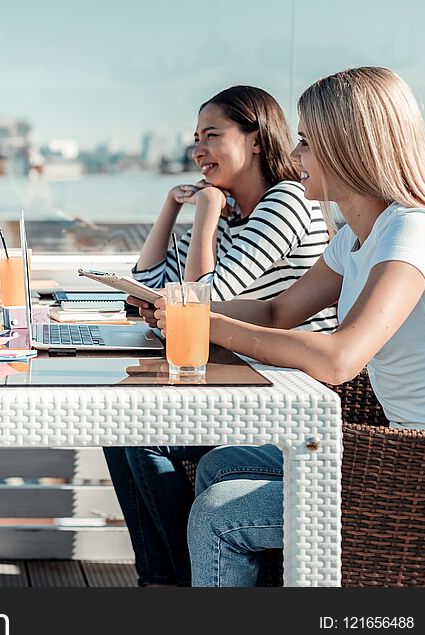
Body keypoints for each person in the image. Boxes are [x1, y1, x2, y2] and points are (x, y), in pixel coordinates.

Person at [151, 66, 425, 586]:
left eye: (307, 141)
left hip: (422, 464)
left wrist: (207, 325)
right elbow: (278, 312)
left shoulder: (412, 230)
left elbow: (340, 358)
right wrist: (183, 308)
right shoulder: (355, 234)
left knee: (220, 513)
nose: (297, 155)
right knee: (222, 465)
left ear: (347, 145)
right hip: (396, 444)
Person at [104, 85, 338, 586]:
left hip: (287, 392)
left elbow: (202, 294)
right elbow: (146, 289)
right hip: (242, 377)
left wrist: (205, 218)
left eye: (212, 135)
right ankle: (164, 581)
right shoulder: (237, 210)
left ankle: (177, 580)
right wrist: (172, 208)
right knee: (122, 429)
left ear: (255, 140)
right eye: (195, 139)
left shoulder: (287, 203)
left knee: (140, 436)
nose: (198, 150)